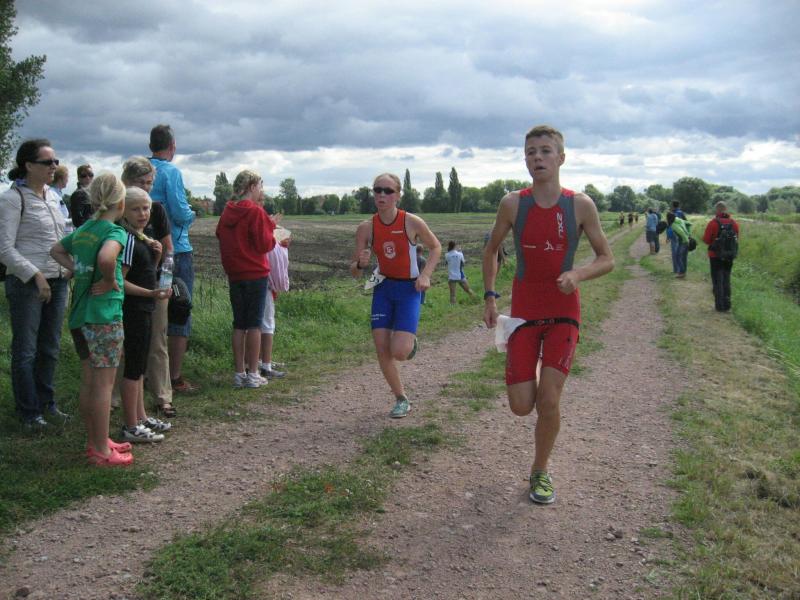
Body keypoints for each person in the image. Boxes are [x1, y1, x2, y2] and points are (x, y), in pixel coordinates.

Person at [482, 125, 614, 504]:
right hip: (524, 312)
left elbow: (607, 259)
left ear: (561, 158)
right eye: (530, 152)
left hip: (563, 312)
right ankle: (538, 370)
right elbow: (490, 251)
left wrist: (578, 274)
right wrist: (490, 297)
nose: (537, 157)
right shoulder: (512, 204)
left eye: (544, 151)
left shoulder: (580, 205)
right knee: (521, 405)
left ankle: (540, 470)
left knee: (549, 401)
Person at [50, 173, 133, 466]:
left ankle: (96, 440)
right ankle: (101, 450)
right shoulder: (114, 232)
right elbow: (107, 259)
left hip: (80, 316)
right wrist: (110, 279)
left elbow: (56, 250)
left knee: (89, 381)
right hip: (104, 316)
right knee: (104, 385)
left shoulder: (84, 229)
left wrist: (78, 269)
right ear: (121, 203)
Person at [351, 173, 441, 418]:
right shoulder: (366, 228)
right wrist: (359, 264)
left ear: (398, 195)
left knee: (399, 351)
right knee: (382, 349)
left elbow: (436, 247)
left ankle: (407, 343)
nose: (381, 195)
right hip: (383, 288)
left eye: (388, 191)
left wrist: (425, 275)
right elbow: (355, 273)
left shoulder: (411, 222)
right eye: (377, 190)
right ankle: (401, 398)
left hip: (409, 289)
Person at [0, 139, 70, 428]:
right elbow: (4, 248)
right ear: (28, 165)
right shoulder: (12, 199)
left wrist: (70, 267)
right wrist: (36, 275)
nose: (54, 166)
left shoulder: (54, 197)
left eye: (55, 161)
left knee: (50, 347)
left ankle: (46, 403)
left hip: (58, 280)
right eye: (47, 162)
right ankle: (29, 412)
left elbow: (63, 237)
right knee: (26, 349)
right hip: (26, 283)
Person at [121, 156, 176, 417]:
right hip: (125, 288)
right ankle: (119, 398)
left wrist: (163, 278)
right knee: (125, 344)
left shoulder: (156, 210)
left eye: (149, 182)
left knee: (157, 340)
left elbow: (168, 249)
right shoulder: (118, 212)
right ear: (127, 182)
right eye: (141, 182)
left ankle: (162, 395)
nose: (146, 187)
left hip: (154, 284)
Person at [148, 124, 197, 392]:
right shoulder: (171, 172)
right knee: (180, 307)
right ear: (173, 146)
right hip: (175, 248)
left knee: (149, 309)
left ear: (150, 146)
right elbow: (179, 212)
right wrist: (192, 214)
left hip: (145, 249)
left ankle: (146, 374)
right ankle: (174, 376)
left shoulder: (140, 170)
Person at [216, 170, 276, 389]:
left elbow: (219, 234)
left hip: (235, 274)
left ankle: (239, 373)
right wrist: (272, 230)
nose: (261, 190)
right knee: (254, 325)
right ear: (251, 187)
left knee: (239, 324)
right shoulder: (255, 211)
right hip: (255, 272)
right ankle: (253, 374)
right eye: (260, 186)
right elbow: (265, 244)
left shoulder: (227, 212)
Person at [260, 225, 289, 380]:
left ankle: (258, 361)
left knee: (254, 325)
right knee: (267, 325)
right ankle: (266, 366)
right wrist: (281, 242)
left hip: (247, 279)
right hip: (263, 283)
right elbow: (277, 260)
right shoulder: (268, 240)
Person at [703, 201, 740, 312]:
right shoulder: (734, 223)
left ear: (717, 210)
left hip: (715, 256)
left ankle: (719, 306)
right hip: (729, 256)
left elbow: (706, 240)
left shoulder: (713, 223)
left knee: (717, 280)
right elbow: (736, 238)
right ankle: (727, 305)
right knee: (726, 279)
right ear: (726, 209)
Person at [666, 212, 690, 278]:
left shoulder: (673, 225)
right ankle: (683, 272)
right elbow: (688, 223)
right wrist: (688, 235)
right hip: (685, 240)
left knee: (677, 257)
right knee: (683, 258)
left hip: (683, 242)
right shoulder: (678, 220)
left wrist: (686, 240)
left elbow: (681, 232)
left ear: (669, 218)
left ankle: (682, 272)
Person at [666, 200, 687, 274]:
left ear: (672, 205)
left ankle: (676, 270)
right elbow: (685, 222)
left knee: (674, 252)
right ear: (678, 205)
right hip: (680, 234)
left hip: (673, 234)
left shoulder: (670, 213)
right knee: (680, 253)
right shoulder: (681, 213)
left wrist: (668, 236)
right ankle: (681, 270)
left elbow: (668, 225)